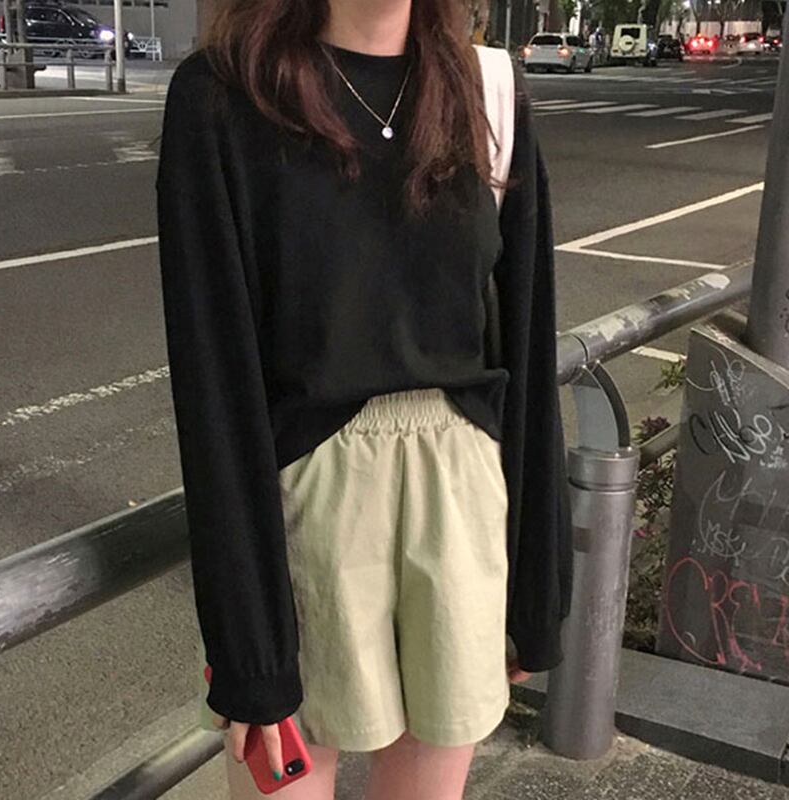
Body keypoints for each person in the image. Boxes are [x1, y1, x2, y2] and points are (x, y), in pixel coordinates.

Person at [155, 0, 573, 798]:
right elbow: (213, 381)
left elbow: (527, 343)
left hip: (460, 504)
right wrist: (249, 651)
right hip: (305, 510)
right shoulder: (225, 96)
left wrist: (536, 591)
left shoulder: (488, 90)